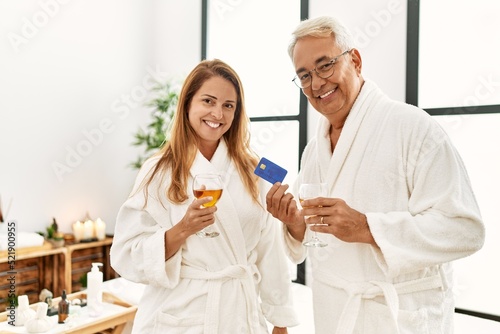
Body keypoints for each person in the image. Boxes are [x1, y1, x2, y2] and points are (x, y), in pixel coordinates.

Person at [266, 16, 485, 334]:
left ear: (354, 60)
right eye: (304, 76)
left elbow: (465, 230)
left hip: (398, 318)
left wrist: (367, 227)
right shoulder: (315, 150)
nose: (316, 84)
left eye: (325, 65)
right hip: (334, 314)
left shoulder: (413, 127)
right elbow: (316, 235)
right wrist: (295, 224)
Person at [110, 59, 298, 334]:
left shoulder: (252, 170)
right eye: (208, 101)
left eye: (228, 105)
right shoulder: (159, 170)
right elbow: (126, 254)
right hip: (179, 313)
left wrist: (280, 321)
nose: (218, 113)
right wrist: (182, 229)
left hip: (239, 314)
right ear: (187, 104)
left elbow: (269, 249)